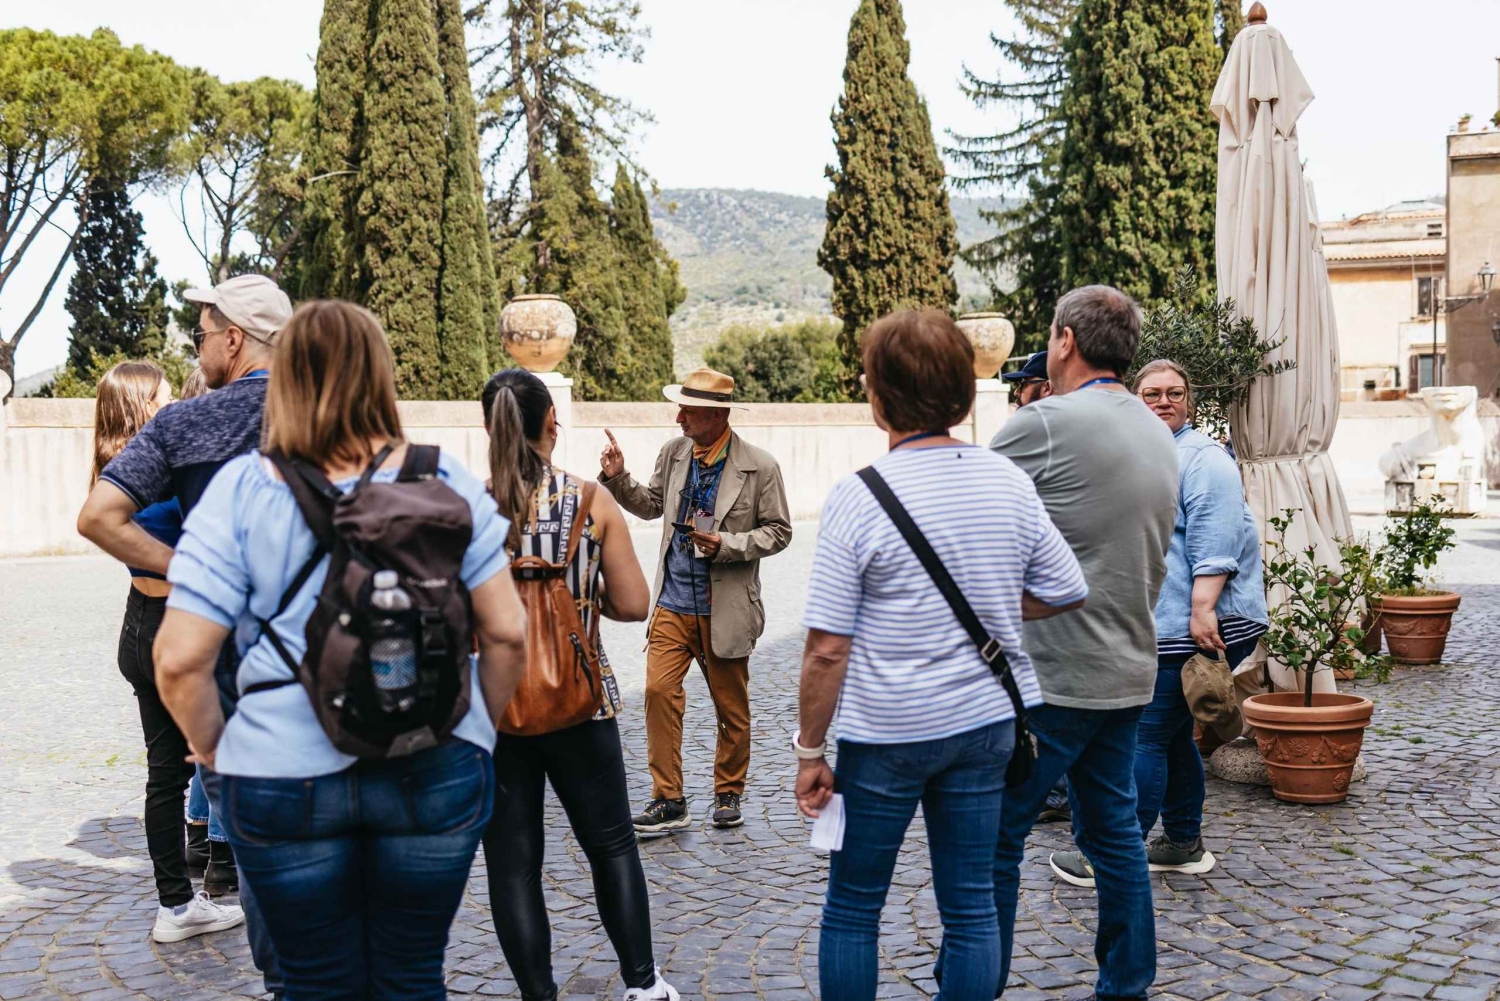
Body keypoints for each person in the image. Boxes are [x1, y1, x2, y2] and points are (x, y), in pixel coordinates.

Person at [151, 300, 528, 1000]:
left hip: (281, 771)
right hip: (432, 762)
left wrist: (219, 752)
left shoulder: (242, 490)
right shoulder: (444, 479)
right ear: (380, 377)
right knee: (412, 977)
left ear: (287, 380)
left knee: (313, 983)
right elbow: (507, 633)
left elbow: (178, 660)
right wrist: (475, 730)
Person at [796, 311, 1087, 1001]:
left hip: (886, 731)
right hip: (984, 723)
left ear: (879, 397)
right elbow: (1066, 587)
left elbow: (828, 648)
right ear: (959, 391)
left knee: (854, 906)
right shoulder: (1006, 480)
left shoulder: (858, 497)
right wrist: (994, 605)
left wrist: (809, 751)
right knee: (971, 904)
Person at [78, 273, 295, 996]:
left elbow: (98, 517)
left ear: (234, 339)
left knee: (251, 835)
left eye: (201, 334)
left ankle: (279, 979)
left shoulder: (187, 423)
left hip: (228, 665)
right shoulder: (335, 409)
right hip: (323, 668)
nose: (196, 347)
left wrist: (193, 568)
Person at [987, 285, 1179, 1001]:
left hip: (1053, 673)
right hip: (1128, 668)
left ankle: (973, 982)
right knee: (1115, 834)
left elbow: (960, 499)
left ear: (1065, 340)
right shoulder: (1158, 432)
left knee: (996, 835)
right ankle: (1126, 984)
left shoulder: (1046, 423)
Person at [478, 368, 679, 1001]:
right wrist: (579, 598)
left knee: (512, 866)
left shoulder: (468, 510)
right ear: (551, 425)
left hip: (496, 709)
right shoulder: (590, 501)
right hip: (581, 700)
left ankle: (538, 995)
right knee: (612, 846)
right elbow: (634, 603)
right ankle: (642, 986)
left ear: (488, 428)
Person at [90, 360, 244, 943]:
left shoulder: (111, 471)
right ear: (140, 405)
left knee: (165, 776)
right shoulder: (159, 471)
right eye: (162, 395)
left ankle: (175, 905)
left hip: (137, 623)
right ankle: (241, 881)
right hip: (177, 625)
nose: (173, 402)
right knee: (222, 756)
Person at [599, 368, 792, 834]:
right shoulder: (674, 452)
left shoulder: (760, 466)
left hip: (725, 606)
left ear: (717, 415)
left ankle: (728, 791)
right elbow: (651, 505)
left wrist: (727, 544)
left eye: (688, 410)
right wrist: (618, 478)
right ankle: (669, 799)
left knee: (731, 709)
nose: (679, 417)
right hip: (672, 600)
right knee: (658, 693)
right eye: (680, 408)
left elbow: (779, 531)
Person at [1131, 359, 1267, 874]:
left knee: (1144, 736)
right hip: (1171, 621)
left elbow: (1216, 541)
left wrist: (1202, 609)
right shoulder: (1152, 454)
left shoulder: (1202, 458)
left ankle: (1113, 856)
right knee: (1170, 735)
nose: (1163, 401)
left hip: (1197, 623)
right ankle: (1184, 843)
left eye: (1174, 392)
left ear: (1189, 401)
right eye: (1151, 393)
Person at [1004, 350, 1069, 825]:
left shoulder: (1031, 436)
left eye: (1020, 387)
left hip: (1045, 592)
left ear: (1043, 388)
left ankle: (1052, 791)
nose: (1016, 396)